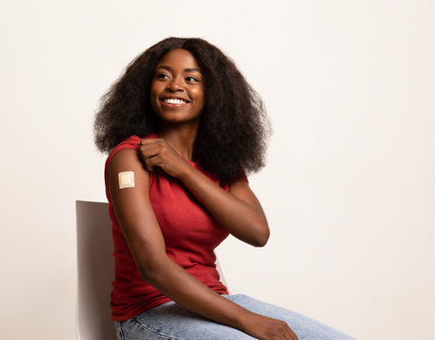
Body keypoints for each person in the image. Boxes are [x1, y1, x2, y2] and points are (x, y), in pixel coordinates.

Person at [93, 37, 356, 340]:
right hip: (148, 313)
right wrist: (248, 321)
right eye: (163, 76)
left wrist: (182, 170)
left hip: (215, 304)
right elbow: (153, 266)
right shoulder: (131, 158)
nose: (175, 85)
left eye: (191, 79)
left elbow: (257, 233)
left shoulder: (219, 164)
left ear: (213, 94)